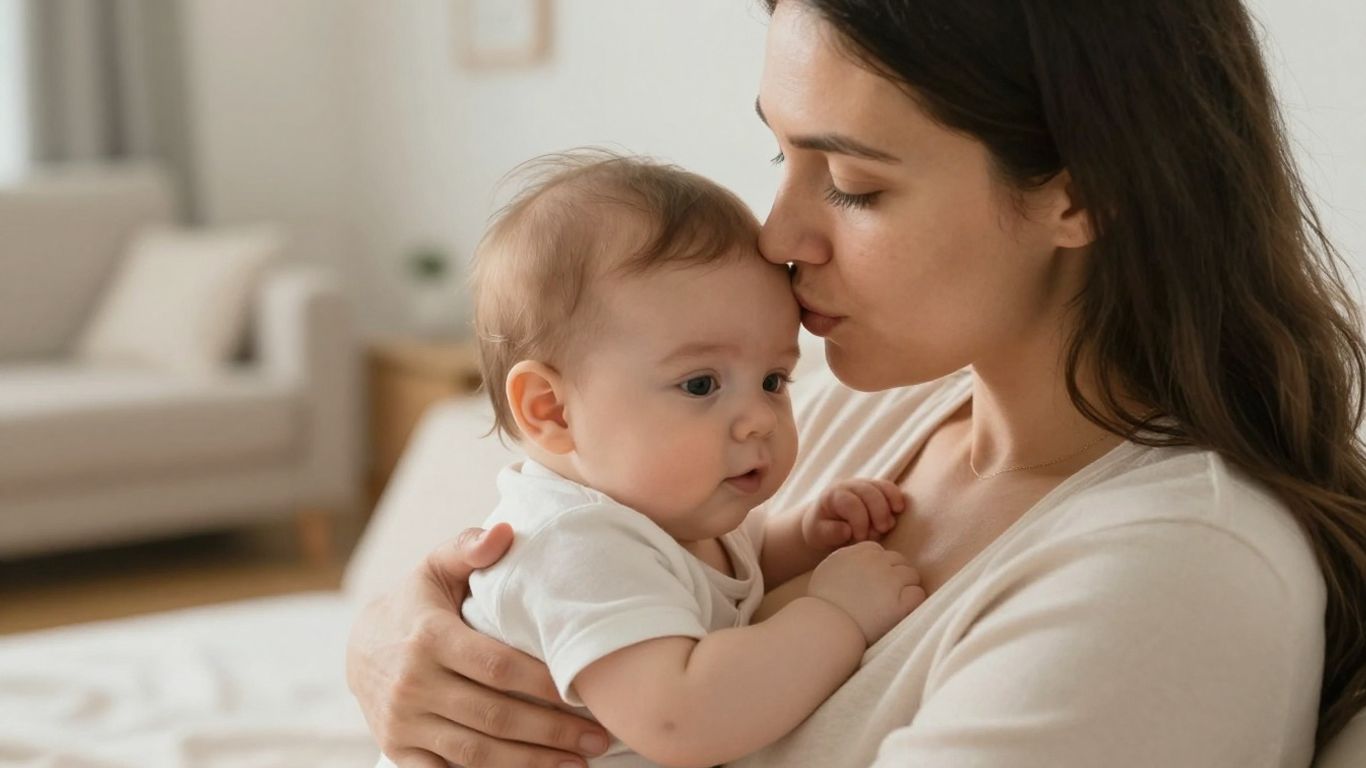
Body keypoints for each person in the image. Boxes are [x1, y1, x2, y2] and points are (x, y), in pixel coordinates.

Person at [346, 1, 1366, 766]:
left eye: (851, 184)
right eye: (777, 153)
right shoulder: (856, 401)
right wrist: (399, 646)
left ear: (1077, 194)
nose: (777, 235)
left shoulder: (1170, 578)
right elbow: (580, 556)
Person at [373, 152, 925, 768]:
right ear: (552, 411)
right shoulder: (574, 546)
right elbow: (680, 716)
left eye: (773, 379)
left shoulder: (674, 514)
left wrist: (808, 537)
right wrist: (836, 613)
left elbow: (718, 579)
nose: (760, 417)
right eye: (700, 385)